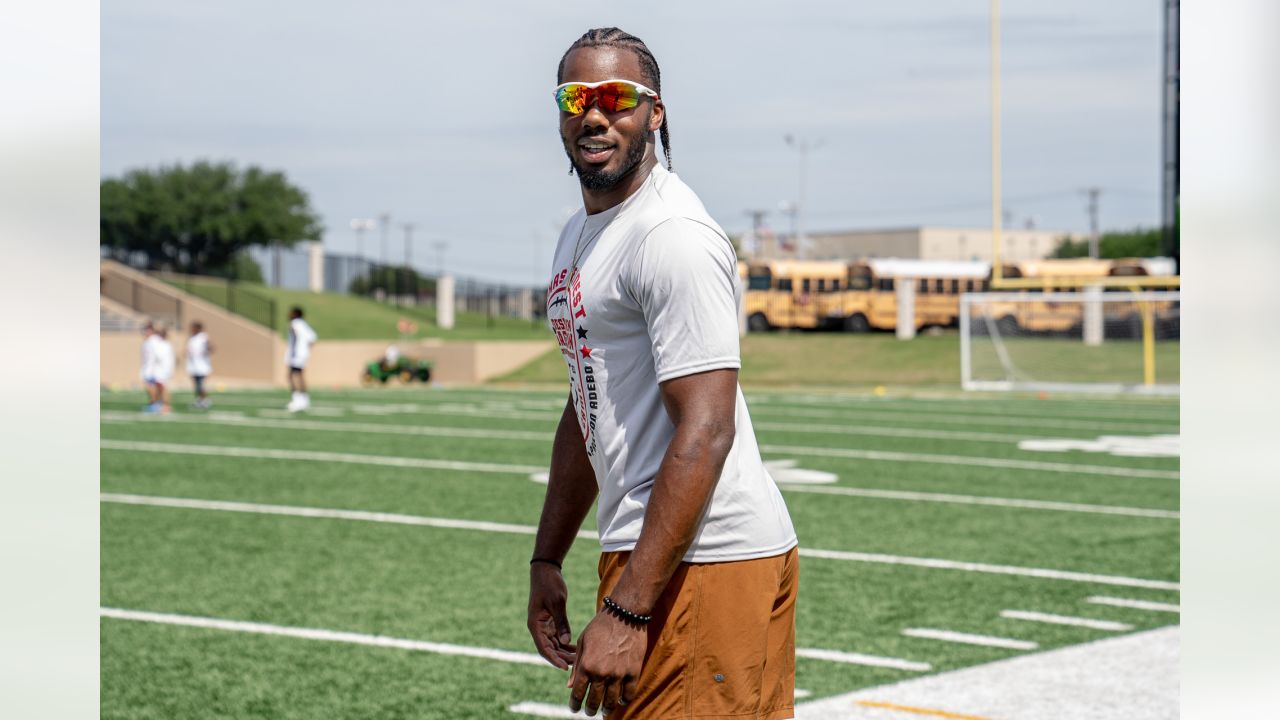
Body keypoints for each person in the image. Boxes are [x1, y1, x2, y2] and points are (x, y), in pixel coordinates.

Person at [527, 28, 798, 720]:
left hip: (703, 559)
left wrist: (627, 607)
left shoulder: (669, 234)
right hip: (658, 554)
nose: (594, 114)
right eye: (576, 97)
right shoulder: (581, 233)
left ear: (655, 113)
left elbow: (707, 429)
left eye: (617, 97)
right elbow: (589, 401)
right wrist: (547, 559)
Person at [286, 306, 317, 412]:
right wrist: (305, 350)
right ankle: (304, 399)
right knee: (299, 376)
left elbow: (296, 335)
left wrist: (298, 350)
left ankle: (297, 400)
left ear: (295, 314)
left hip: (296, 354)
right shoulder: (304, 324)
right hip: (302, 354)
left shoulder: (295, 323)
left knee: (292, 376)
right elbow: (313, 338)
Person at [141, 321, 175, 414]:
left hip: (158, 369)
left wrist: (163, 369)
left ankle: (164, 405)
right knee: (157, 387)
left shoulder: (155, 341)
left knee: (161, 387)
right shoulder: (153, 341)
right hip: (155, 369)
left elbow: (159, 355)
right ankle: (157, 404)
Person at [185, 321, 213, 409]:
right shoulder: (192, 338)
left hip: (202, 366)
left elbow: (210, 347)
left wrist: (208, 349)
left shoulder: (203, 337)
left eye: (193, 327)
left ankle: (205, 400)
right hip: (193, 365)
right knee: (196, 385)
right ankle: (199, 399)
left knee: (201, 384)